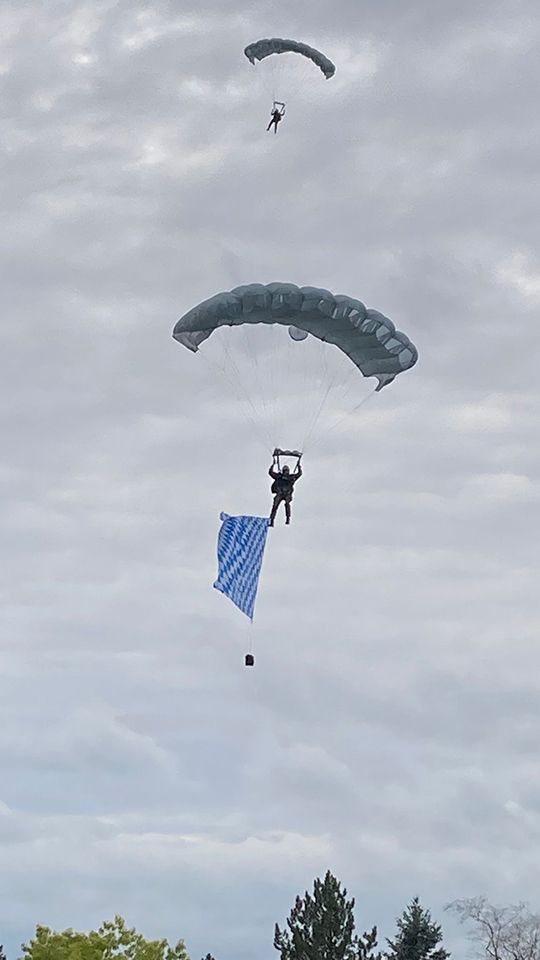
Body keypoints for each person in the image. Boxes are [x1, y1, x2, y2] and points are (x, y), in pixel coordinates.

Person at [268, 454, 302, 526]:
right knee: (275, 506)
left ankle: (287, 519)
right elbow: (270, 473)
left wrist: (299, 466)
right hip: (280, 493)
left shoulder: (291, 477)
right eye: (285, 470)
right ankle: (272, 520)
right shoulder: (279, 476)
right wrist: (273, 464)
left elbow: (299, 474)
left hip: (287, 494)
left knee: (287, 504)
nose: (286, 472)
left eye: (287, 470)